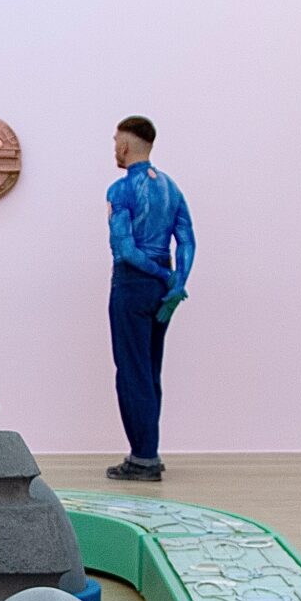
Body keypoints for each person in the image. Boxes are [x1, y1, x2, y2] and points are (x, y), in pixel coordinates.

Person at [102, 114, 193, 482]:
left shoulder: (120, 190)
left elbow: (124, 249)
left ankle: (143, 458)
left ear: (125, 145)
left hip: (133, 284)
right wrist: (176, 280)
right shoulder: (171, 188)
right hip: (162, 289)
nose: (114, 148)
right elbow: (186, 241)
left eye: (115, 142)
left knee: (132, 371)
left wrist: (162, 275)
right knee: (150, 370)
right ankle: (149, 448)